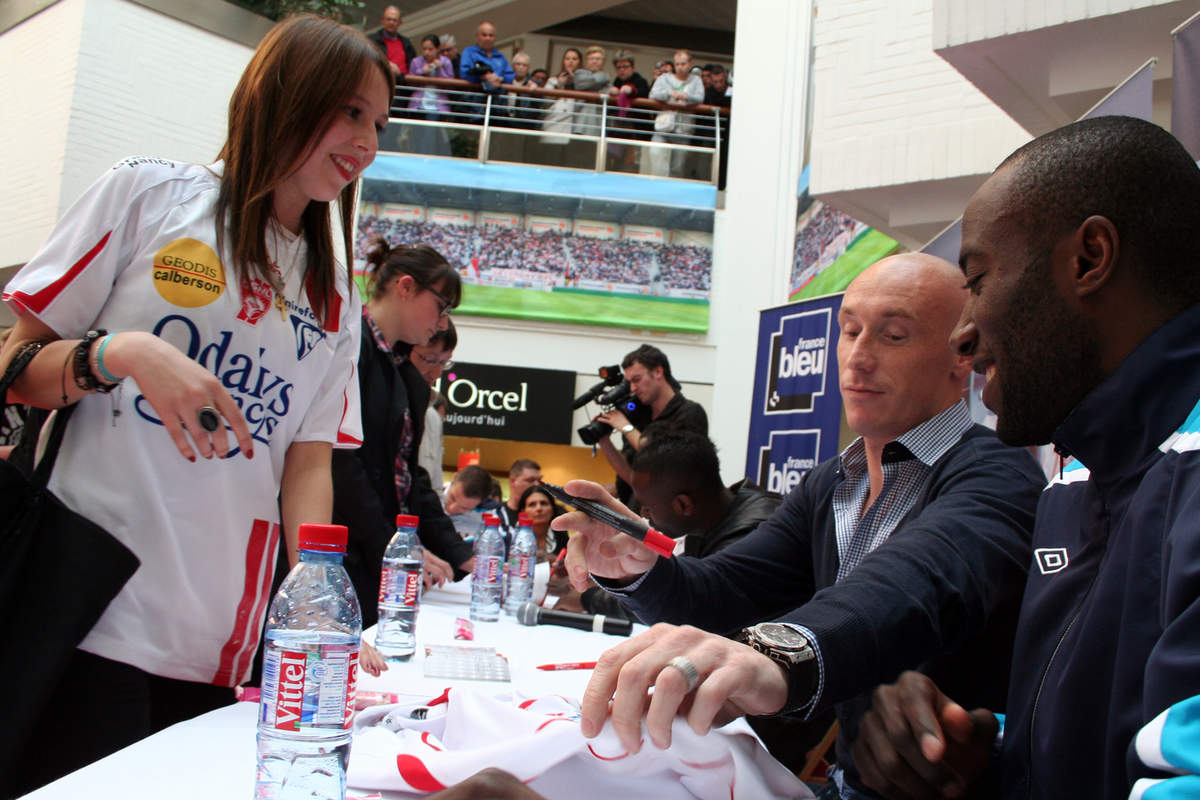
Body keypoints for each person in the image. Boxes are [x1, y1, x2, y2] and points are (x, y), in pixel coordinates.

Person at [0, 14, 392, 792]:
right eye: (350, 110)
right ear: (286, 93)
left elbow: (308, 459)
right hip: (85, 605)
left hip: (219, 638)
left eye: (379, 122)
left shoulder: (336, 296)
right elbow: (16, 364)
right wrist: (124, 354)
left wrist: (315, 592)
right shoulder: (150, 195)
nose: (367, 140)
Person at [556, 252, 1044, 799]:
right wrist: (639, 567)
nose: (857, 358)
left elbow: (916, 581)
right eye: (850, 330)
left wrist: (778, 655)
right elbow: (724, 590)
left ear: (962, 355)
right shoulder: (832, 481)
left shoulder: (999, 473)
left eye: (893, 336)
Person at [851, 116, 1200, 800]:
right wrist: (982, 751)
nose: (964, 331)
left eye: (977, 280)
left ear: (1089, 258)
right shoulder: (1075, 476)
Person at [331, 240, 470, 630]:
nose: (442, 323)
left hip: (371, 556)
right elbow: (341, 464)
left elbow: (407, 478)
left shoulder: (395, 367)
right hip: (345, 555)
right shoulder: (348, 346)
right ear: (405, 287)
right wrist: (391, 546)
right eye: (441, 306)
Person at [594, 343, 708, 505]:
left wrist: (626, 427)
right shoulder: (638, 416)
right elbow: (632, 478)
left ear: (658, 372)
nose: (632, 389)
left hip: (673, 515)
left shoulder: (690, 412)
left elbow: (665, 459)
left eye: (637, 380)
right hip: (636, 511)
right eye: (629, 383)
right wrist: (604, 442)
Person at [411, 320, 455, 490]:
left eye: (444, 363)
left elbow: (434, 487)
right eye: (430, 360)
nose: (436, 373)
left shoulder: (432, 418)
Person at [645, 49, 703, 177]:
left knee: (678, 166)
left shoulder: (696, 80)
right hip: (663, 125)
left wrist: (686, 97)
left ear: (690, 64)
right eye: (677, 64)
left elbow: (700, 97)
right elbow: (653, 94)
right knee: (656, 154)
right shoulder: (664, 78)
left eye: (683, 64)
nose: (680, 67)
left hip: (684, 130)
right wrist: (669, 94)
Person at [541, 48, 583, 146]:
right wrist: (558, 86)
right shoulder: (553, 80)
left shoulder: (582, 83)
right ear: (563, 61)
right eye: (567, 58)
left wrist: (575, 82)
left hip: (573, 131)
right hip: (553, 127)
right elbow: (545, 102)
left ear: (580, 62)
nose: (571, 61)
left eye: (574, 59)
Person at [572, 45, 612, 138]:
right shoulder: (580, 73)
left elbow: (607, 93)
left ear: (603, 62)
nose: (594, 61)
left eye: (598, 59)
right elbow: (582, 84)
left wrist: (592, 84)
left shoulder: (608, 82)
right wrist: (604, 77)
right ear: (586, 61)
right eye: (591, 58)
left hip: (598, 124)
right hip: (580, 124)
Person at [518, 484, 567, 560]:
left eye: (543, 503)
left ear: (552, 510)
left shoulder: (562, 537)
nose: (539, 508)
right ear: (523, 511)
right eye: (532, 505)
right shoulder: (513, 535)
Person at [368, 5, 416, 80]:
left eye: (394, 20)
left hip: (403, 85)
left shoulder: (407, 43)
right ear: (382, 20)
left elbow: (413, 65)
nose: (391, 22)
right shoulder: (371, 40)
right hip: (380, 81)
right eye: (388, 19)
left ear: (400, 23)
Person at [498, 458, 542, 533]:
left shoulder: (546, 513)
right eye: (530, 480)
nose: (537, 484)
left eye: (539, 480)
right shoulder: (498, 513)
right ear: (513, 481)